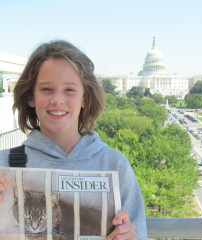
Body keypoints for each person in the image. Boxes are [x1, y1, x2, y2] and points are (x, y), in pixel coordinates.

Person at [0, 40, 147, 240]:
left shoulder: (114, 164)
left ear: (85, 98)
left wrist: (131, 237)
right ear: (30, 97)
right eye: (46, 89)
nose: (57, 100)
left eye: (69, 90)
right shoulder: (3, 164)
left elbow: (139, 232)